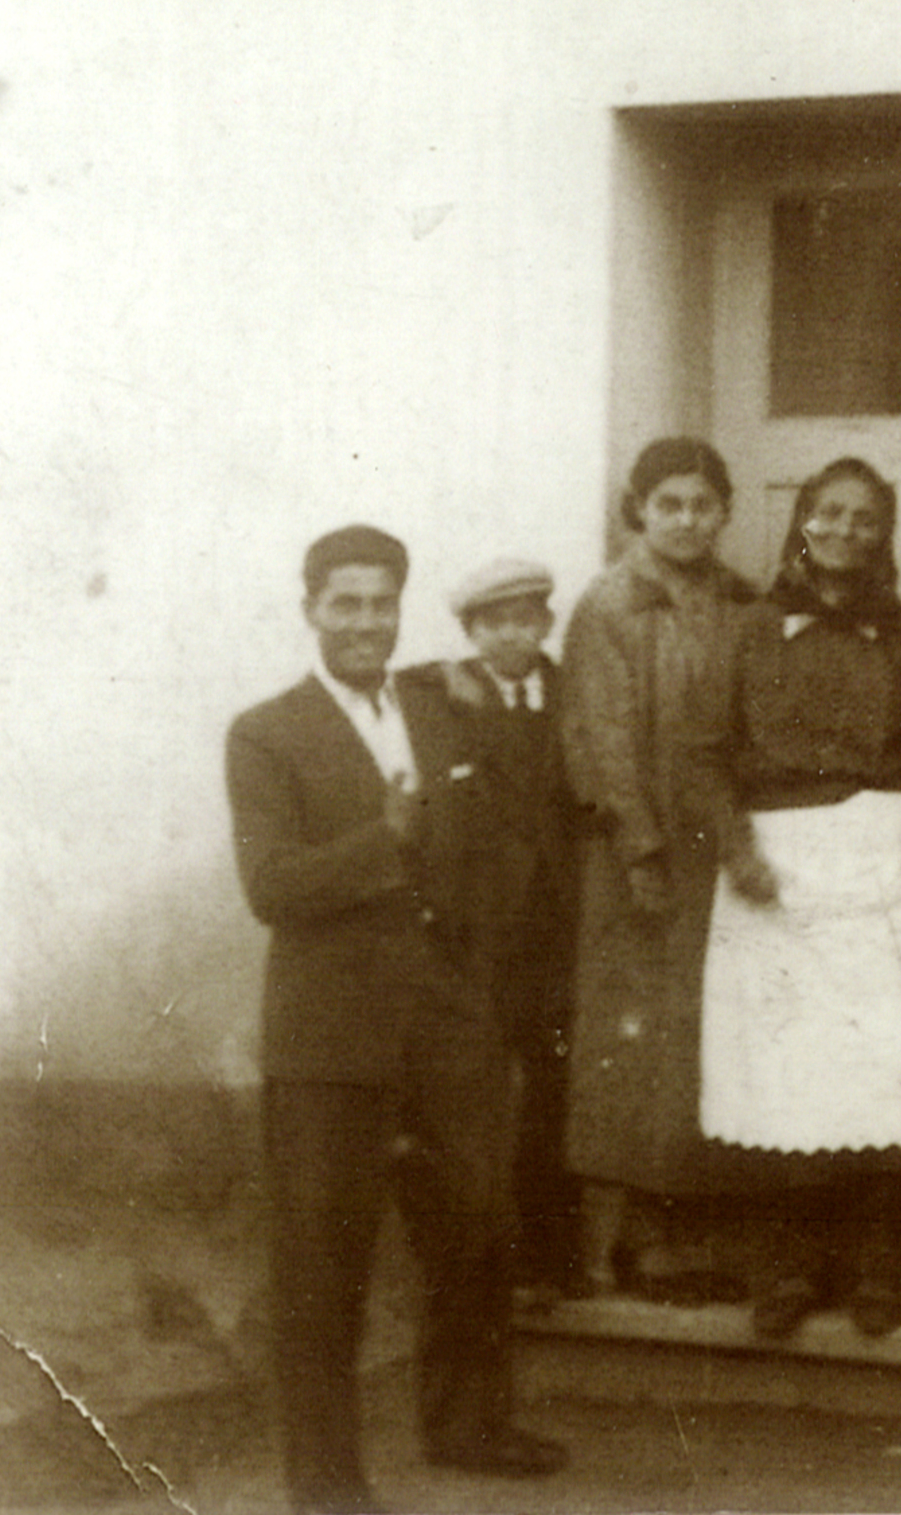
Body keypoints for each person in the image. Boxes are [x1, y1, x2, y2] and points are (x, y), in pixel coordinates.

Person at [225, 524, 565, 1515]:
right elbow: (271, 887)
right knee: (323, 1255)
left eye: (382, 603)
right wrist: (387, 839)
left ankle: (468, 1426)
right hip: (328, 1031)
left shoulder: (435, 706)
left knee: (475, 1224)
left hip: (448, 1017)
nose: (366, 622)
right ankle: (326, 1479)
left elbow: (500, 828)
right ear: (311, 611)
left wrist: (478, 974)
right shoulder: (266, 732)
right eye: (347, 603)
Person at [693, 456, 901, 1339]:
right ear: (801, 523)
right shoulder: (748, 633)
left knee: (889, 1062)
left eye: (864, 517)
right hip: (778, 869)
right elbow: (705, 755)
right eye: (828, 512)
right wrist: (737, 849)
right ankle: (792, 1266)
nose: (845, 530)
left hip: (892, 864)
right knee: (791, 1064)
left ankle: (878, 1265)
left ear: (882, 534)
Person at [559, 437, 755, 1296]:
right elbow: (598, 737)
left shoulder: (742, 601)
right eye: (667, 504)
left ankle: (685, 1234)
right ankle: (615, 1245)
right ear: (638, 509)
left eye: (701, 505)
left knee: (701, 1038)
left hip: (719, 852)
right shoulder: (609, 605)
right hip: (633, 852)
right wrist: (638, 847)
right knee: (629, 1042)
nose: (685, 520)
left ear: (724, 512)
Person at [400, 557, 578, 1304]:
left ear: (545, 624)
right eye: (493, 623)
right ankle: (479, 1264)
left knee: (553, 1089)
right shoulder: (440, 693)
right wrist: (449, 678)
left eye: (525, 620)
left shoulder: (569, 691)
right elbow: (398, 686)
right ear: (471, 633)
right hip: (476, 929)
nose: (511, 636)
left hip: (556, 926)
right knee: (475, 1095)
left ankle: (551, 1259)